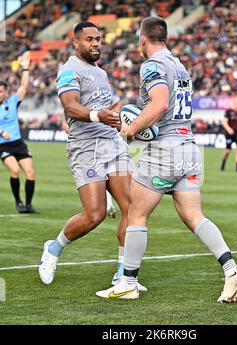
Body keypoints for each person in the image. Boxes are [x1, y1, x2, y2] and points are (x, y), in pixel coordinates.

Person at [96, 16, 237, 303]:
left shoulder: (152, 64)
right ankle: (231, 269)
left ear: (142, 39)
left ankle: (127, 282)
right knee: (194, 216)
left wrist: (131, 128)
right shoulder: (180, 66)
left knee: (135, 214)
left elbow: (160, 102)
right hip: (189, 148)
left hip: (165, 150)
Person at [38, 21, 146, 291]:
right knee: (94, 215)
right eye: (89, 39)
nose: (96, 43)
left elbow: (106, 105)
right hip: (86, 148)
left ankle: (124, 274)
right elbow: (71, 106)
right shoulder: (69, 70)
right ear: (76, 42)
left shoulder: (101, 72)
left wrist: (119, 120)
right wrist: (98, 115)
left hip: (112, 144)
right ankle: (53, 248)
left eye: (98, 38)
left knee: (132, 208)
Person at [0, 53, 39, 214]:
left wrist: (25, 68)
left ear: (5, 92)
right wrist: (1, 131)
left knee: (30, 173)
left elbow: (23, 87)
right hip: (3, 145)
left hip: (18, 144)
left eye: (1, 91)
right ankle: (18, 202)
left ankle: (28, 205)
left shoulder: (12, 102)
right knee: (15, 170)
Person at [220, 105, 237, 172]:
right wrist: (228, 129)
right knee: (228, 151)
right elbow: (224, 122)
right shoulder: (228, 111)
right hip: (229, 134)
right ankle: (223, 163)